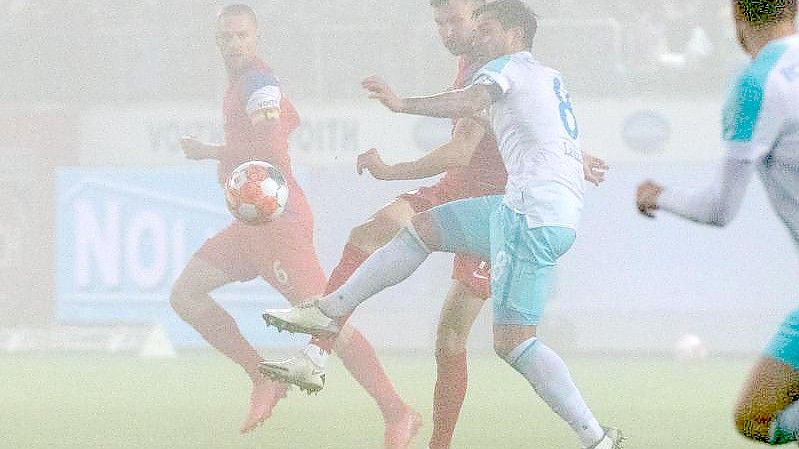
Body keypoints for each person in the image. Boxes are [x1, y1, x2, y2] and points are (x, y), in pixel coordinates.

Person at [262, 1, 623, 448]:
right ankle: (325, 325)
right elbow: (541, 126)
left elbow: (468, 125)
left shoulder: (499, 71)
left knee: (502, 343)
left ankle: (595, 439)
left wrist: (398, 109)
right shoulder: (541, 74)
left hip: (520, 214)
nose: (462, 33)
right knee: (415, 231)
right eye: (443, 22)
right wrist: (574, 158)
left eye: (475, 25)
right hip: (524, 209)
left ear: (506, 31)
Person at [171, 5, 416, 441]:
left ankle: (398, 412)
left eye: (241, 36)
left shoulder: (259, 83)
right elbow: (276, 129)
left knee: (327, 323)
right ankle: (262, 376)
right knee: (185, 295)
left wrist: (210, 152)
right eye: (226, 38)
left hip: (280, 228)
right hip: (249, 229)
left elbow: (269, 150)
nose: (233, 45)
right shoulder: (243, 83)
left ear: (257, 37)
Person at [636, 0, 799, 444]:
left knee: (756, 419)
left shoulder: (757, 83)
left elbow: (719, 209)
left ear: (735, 15)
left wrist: (658, 196)